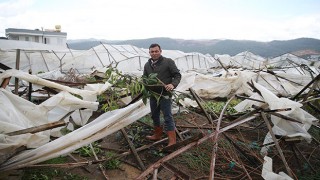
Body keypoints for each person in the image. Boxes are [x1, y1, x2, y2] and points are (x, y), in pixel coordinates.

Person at [143, 43, 181, 146]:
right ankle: (157, 134)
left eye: (156, 51)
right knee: (155, 115)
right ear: (149, 52)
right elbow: (145, 78)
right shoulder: (147, 65)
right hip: (153, 95)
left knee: (167, 116)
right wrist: (143, 87)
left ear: (160, 51)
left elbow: (177, 75)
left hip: (165, 94)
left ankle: (172, 141)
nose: (154, 53)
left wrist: (172, 84)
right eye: (152, 51)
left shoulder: (168, 62)